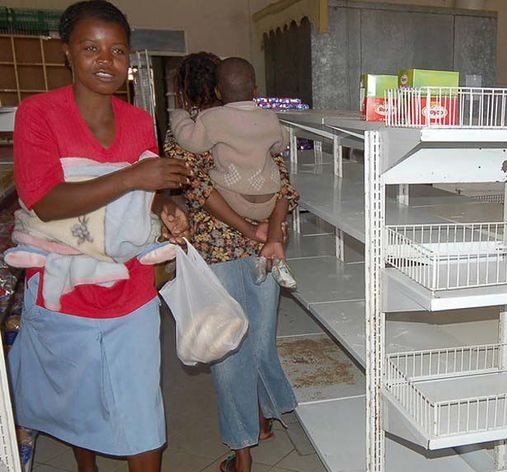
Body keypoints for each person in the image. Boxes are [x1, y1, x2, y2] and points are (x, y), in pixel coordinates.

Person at [7, 2, 191, 472]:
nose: (106, 61)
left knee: (141, 411)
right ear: (67, 52)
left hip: (130, 290)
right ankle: (85, 465)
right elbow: (44, 200)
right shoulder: (38, 114)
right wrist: (133, 178)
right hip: (63, 292)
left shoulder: (138, 121)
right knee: (75, 401)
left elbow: (144, 200)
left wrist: (166, 206)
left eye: (117, 50)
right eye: (91, 48)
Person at [164, 52, 298, 472]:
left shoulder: (188, 134)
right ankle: (261, 421)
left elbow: (201, 190)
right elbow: (283, 184)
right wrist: (271, 232)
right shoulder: (260, 123)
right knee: (259, 339)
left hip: (219, 249)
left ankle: (243, 452)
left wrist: (249, 229)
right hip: (265, 244)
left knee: (229, 348)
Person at [168, 57, 295, 287]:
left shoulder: (206, 123)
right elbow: (283, 175)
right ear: (254, 90)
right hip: (266, 217)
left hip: (219, 241)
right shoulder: (268, 118)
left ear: (219, 90)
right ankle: (270, 268)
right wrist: (274, 232)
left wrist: (179, 117)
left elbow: (199, 186)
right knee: (263, 321)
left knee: (226, 320)